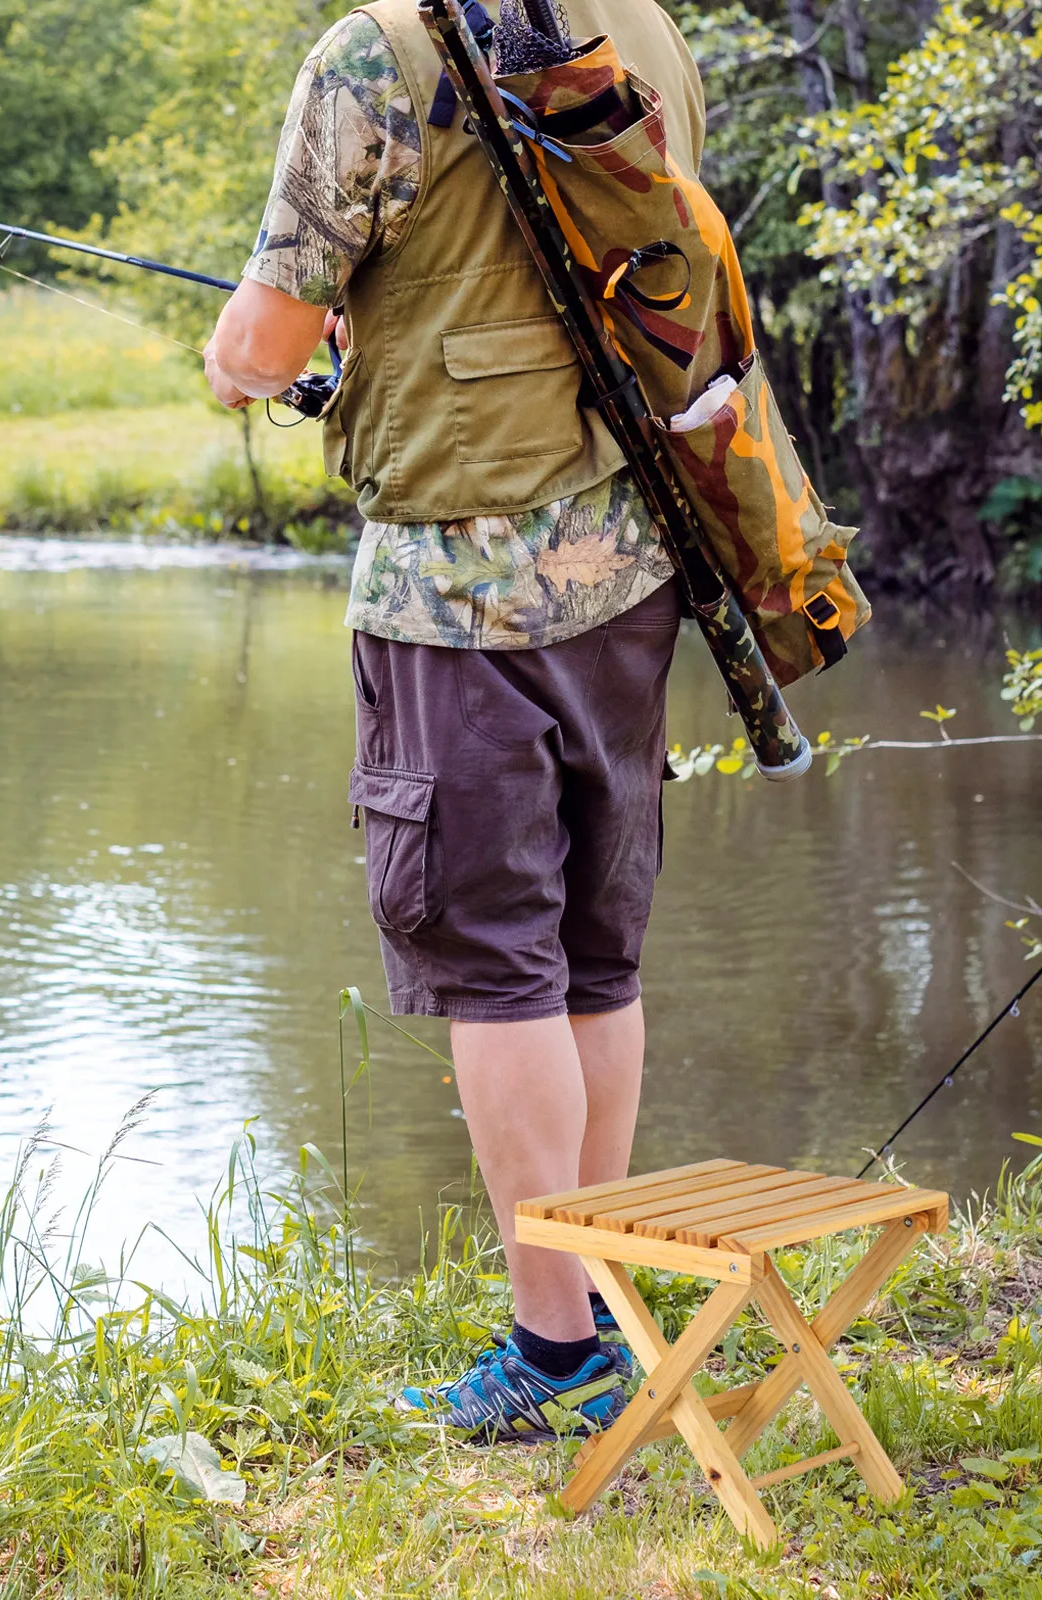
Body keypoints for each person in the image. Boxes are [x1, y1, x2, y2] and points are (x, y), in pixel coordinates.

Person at [201, 0, 713, 1437]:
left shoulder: (378, 50)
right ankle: (599, 1310)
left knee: (496, 967)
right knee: (596, 957)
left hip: (454, 586)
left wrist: (238, 364)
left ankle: (555, 1359)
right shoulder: (649, 28)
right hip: (631, 562)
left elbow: (266, 335)